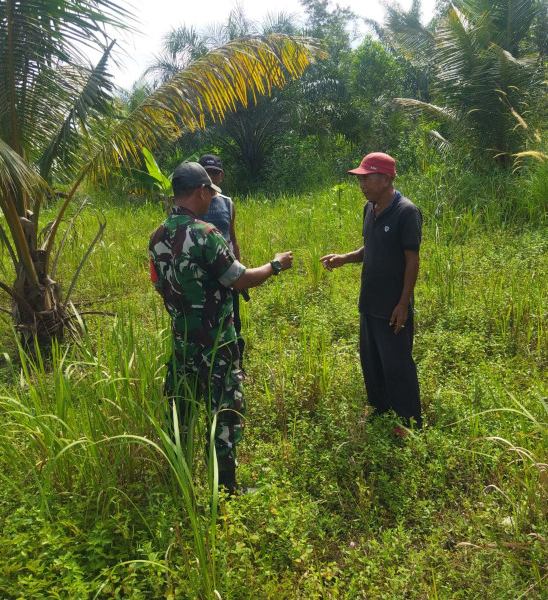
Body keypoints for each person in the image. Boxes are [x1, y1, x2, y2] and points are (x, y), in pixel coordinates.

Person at [149, 161, 293, 493]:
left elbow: (159, 284)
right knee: (224, 411)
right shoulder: (205, 234)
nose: (212, 199)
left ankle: (179, 476)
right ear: (200, 191)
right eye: (209, 193)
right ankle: (226, 487)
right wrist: (274, 265)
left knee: (181, 409)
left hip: (182, 339)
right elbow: (239, 278)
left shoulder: (157, 236)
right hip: (217, 344)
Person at [320, 152, 423, 430]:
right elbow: (372, 248)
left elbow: (412, 260)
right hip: (369, 303)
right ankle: (380, 409)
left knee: (398, 366)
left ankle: (410, 423)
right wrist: (344, 258)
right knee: (372, 363)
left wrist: (404, 304)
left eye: (368, 178)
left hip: (392, 306)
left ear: (387, 178)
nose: (362, 184)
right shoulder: (370, 207)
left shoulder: (406, 212)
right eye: (360, 179)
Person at [196, 154, 247, 364]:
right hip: (203, 271)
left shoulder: (228, 204)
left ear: (221, 176)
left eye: (215, 173)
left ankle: (237, 364)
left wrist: (240, 269)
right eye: (206, 172)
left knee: (234, 320)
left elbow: (233, 238)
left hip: (227, 270)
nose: (211, 177)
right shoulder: (194, 203)